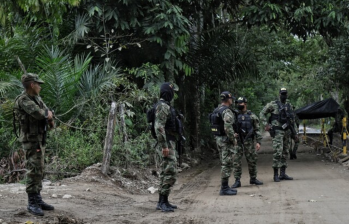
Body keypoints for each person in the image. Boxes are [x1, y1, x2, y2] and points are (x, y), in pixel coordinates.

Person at [13, 73, 55, 216]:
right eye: (38, 84)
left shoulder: (36, 98)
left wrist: (49, 117)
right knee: (34, 169)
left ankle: (37, 199)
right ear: (32, 85)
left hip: (39, 138)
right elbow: (39, 113)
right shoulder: (23, 100)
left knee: (40, 169)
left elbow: (47, 113)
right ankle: (32, 203)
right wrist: (48, 115)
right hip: (31, 140)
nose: (40, 87)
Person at [259, 88, 298, 182]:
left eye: (285, 94)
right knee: (278, 152)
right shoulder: (273, 104)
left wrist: (295, 133)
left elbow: (292, 120)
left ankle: (283, 173)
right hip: (277, 132)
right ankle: (275, 174)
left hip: (287, 132)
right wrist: (266, 125)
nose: (284, 95)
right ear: (279, 94)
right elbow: (262, 114)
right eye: (282, 94)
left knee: (285, 152)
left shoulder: (289, 105)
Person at [154, 82, 179, 212]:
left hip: (169, 141)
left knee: (166, 171)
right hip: (166, 143)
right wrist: (164, 146)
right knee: (170, 171)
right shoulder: (163, 106)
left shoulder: (164, 106)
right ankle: (162, 201)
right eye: (172, 92)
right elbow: (159, 126)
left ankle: (163, 201)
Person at [231, 97, 263, 188]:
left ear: (245, 104)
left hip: (249, 141)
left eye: (240, 103)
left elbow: (257, 129)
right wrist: (233, 134)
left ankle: (253, 178)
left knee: (252, 160)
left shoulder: (252, 116)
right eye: (237, 103)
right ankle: (237, 180)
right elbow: (230, 127)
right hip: (238, 142)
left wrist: (258, 142)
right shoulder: (235, 116)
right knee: (236, 161)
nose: (238, 105)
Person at [210, 91, 238, 196]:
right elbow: (227, 127)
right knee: (227, 163)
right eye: (231, 99)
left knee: (224, 162)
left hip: (218, 139)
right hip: (225, 140)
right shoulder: (226, 111)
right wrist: (233, 139)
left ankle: (225, 186)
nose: (232, 100)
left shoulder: (216, 110)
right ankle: (224, 188)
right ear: (228, 99)